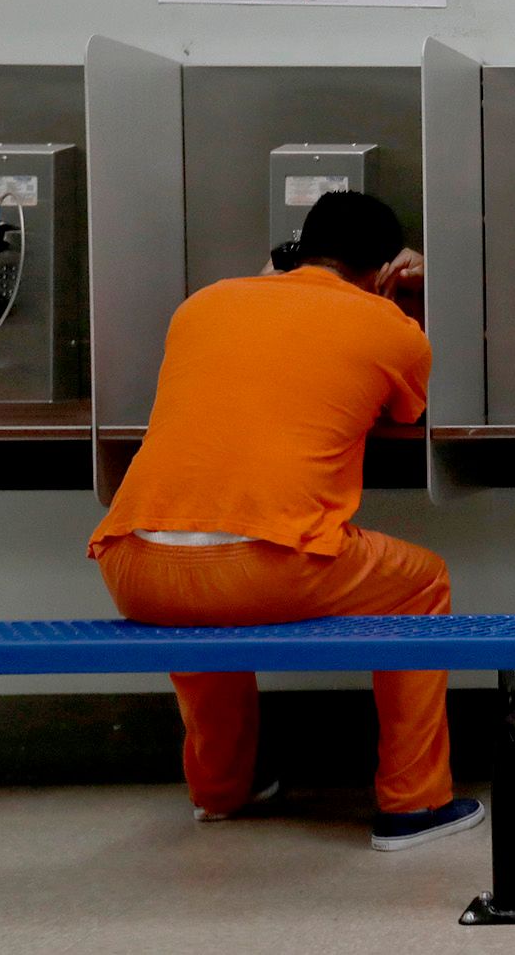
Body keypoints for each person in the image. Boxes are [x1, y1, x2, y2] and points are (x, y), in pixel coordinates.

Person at [88, 191, 481, 851]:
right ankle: (416, 803)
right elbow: (406, 412)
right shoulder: (388, 326)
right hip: (264, 566)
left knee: (201, 594)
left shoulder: (202, 305)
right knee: (422, 581)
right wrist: (406, 296)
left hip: (135, 564)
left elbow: (272, 310)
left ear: (300, 245)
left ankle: (221, 788)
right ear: (384, 268)